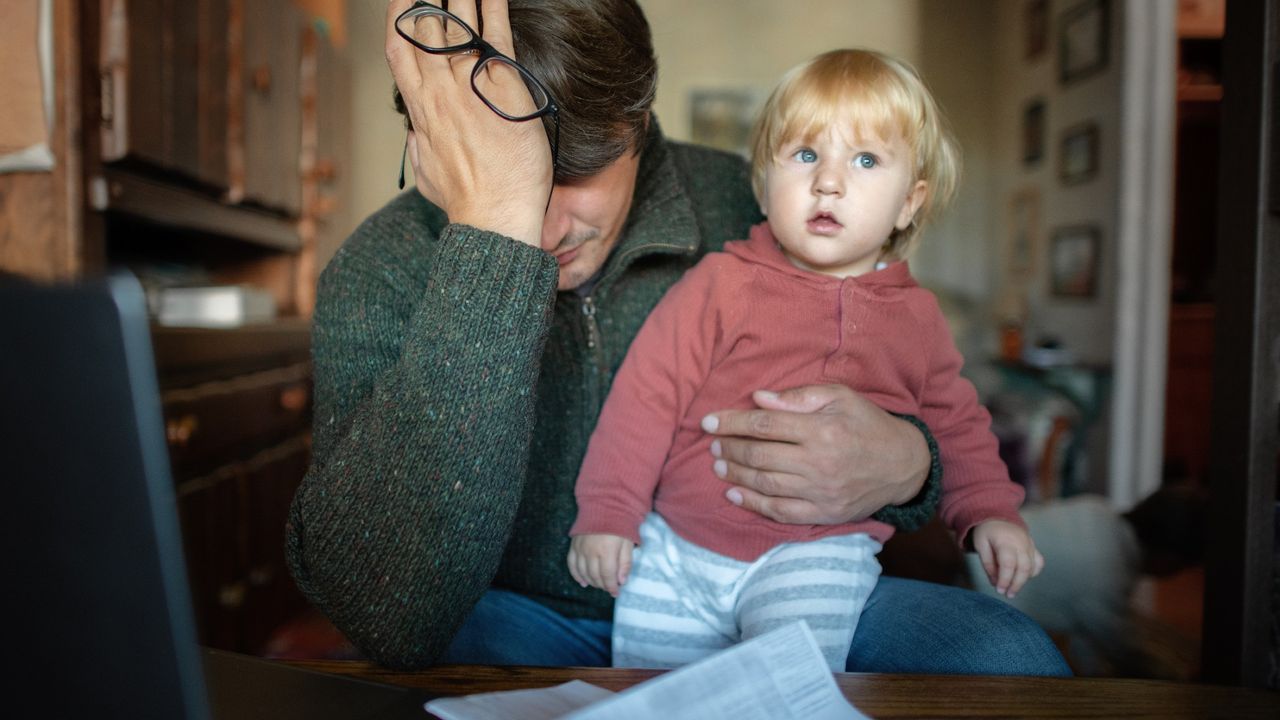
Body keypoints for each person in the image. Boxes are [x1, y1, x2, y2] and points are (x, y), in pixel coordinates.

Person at [285, 0, 1069, 675]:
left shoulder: (754, 205)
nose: (545, 225)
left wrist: (912, 463)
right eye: (512, 182)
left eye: (570, 175)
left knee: (1006, 656)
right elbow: (388, 615)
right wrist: (490, 240)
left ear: (638, 116)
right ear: (431, 142)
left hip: (767, 580)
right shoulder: (379, 269)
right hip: (516, 620)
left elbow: (914, 382)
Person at [567, 49, 1043, 671]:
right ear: (765, 184)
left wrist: (989, 511)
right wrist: (607, 512)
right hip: (676, 552)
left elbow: (955, 425)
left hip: (815, 555)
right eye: (806, 155)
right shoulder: (720, 284)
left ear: (909, 202)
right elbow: (645, 396)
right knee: (652, 696)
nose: (830, 181)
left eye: (866, 160)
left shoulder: (916, 319)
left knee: (785, 688)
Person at [963, 486, 1208, 677]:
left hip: (970, 548)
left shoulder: (1096, 507)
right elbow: (1124, 650)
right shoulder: (1109, 576)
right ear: (1168, 559)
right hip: (973, 594)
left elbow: (1085, 629)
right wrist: (1177, 676)